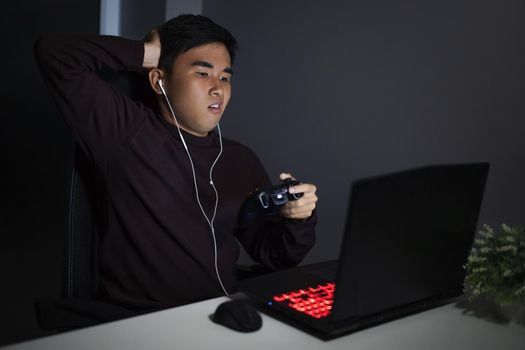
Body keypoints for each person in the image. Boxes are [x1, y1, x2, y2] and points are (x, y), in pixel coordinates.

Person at [34, 14, 318, 312]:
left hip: (222, 313)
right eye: (202, 74)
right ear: (159, 81)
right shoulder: (125, 132)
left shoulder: (240, 159)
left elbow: (276, 256)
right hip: (145, 321)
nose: (218, 88)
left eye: (225, 77)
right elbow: (54, 52)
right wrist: (149, 53)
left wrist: (297, 219)